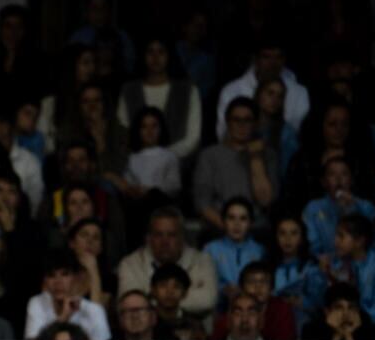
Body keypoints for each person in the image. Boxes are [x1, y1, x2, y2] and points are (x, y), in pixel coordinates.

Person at [193, 98, 279, 233]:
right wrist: (231, 229)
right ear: (227, 122)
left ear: (256, 124)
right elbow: (202, 203)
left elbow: (266, 200)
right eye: (236, 120)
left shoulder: (268, 155)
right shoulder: (209, 155)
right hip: (219, 230)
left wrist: (256, 158)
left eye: (247, 120)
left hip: (257, 230)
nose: (241, 125)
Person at [116, 207, 218, 319]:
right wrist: (178, 301)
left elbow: (207, 300)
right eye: (158, 235)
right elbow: (130, 305)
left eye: (171, 235)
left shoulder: (203, 260)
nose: (165, 242)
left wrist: (154, 301)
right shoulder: (130, 264)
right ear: (149, 238)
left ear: (182, 237)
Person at [24, 249, 112, 340]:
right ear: (45, 281)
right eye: (51, 275)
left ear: (76, 278)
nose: (58, 282)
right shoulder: (37, 302)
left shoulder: (94, 310)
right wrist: (63, 318)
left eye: (65, 274)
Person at [301, 157, 375, 258]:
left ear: (351, 180)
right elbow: (312, 246)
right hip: (326, 263)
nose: (338, 179)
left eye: (344, 174)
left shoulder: (366, 207)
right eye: (332, 174)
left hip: (362, 263)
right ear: (323, 181)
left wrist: (353, 209)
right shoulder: (313, 208)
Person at [321, 215, 375, 326]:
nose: (335, 241)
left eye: (341, 236)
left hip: (368, 324)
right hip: (336, 323)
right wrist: (325, 275)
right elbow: (326, 304)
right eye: (336, 235)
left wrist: (357, 318)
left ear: (359, 241)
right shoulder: (334, 263)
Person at [206, 197, 267, 301]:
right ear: (223, 221)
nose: (237, 224)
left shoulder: (259, 251)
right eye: (231, 218)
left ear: (251, 223)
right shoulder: (210, 249)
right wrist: (222, 288)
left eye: (243, 218)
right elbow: (204, 282)